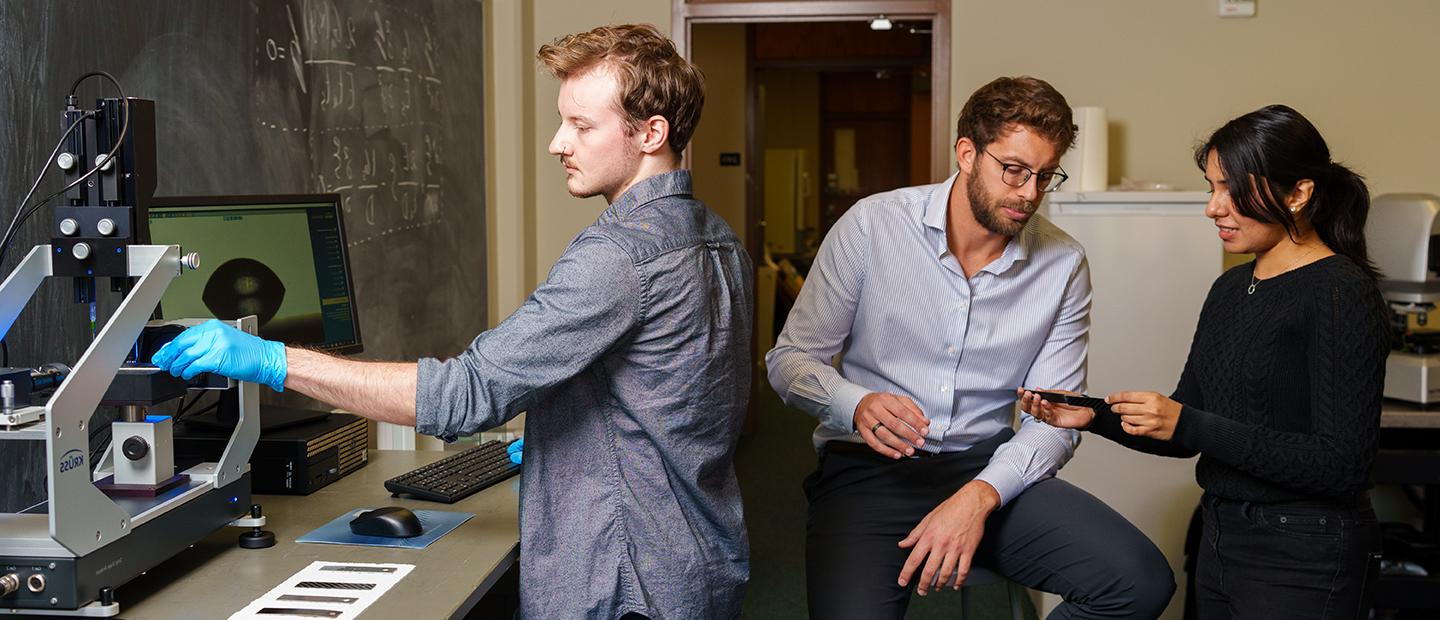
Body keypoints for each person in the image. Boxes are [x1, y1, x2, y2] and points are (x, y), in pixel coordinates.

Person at [152, 24, 753, 620]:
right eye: (561, 120)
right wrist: (561, 439)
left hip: (627, 584)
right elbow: (673, 402)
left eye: (581, 125)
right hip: (695, 563)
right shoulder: (717, 241)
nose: (556, 143)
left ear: (651, 133)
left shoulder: (618, 256)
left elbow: (464, 394)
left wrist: (271, 359)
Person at [767, 76, 1174, 619]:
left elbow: (1056, 418)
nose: (1030, 193)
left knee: (1139, 583)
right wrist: (854, 402)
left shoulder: (1064, 263)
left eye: (1045, 175)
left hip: (987, 468)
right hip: (867, 470)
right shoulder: (872, 225)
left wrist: (981, 494)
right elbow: (789, 361)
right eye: (1014, 170)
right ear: (966, 153)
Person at [1022, 104, 1388, 619]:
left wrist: (1189, 422)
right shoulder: (1231, 288)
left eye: (1232, 189)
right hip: (1220, 536)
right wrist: (1092, 415)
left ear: (1298, 193)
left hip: (1305, 551)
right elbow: (1187, 425)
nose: (1213, 207)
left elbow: (1341, 464)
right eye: (1212, 187)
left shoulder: (1340, 292)